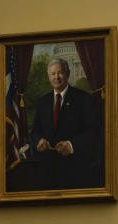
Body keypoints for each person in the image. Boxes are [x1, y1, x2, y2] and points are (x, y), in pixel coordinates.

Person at [21, 56, 100, 189]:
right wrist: (39, 140)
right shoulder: (42, 102)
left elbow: (94, 131)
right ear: (48, 76)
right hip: (47, 172)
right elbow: (35, 132)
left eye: (60, 73)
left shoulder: (83, 99)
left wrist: (71, 145)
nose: (56, 77)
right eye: (53, 74)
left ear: (67, 74)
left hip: (76, 171)